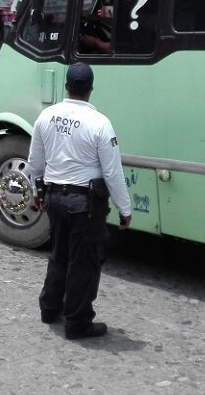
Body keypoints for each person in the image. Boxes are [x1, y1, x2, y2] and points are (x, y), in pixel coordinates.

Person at [27, 62, 131, 340]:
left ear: (66, 87)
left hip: (54, 200)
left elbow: (34, 163)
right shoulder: (100, 123)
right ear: (91, 89)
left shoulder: (46, 116)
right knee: (83, 263)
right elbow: (112, 172)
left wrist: (37, 195)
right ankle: (78, 322)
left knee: (59, 255)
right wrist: (125, 209)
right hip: (84, 204)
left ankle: (49, 309)